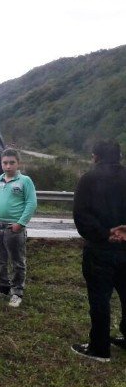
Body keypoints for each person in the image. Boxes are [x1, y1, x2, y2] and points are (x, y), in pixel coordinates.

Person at [72, 140, 126, 362]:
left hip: (99, 250)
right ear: (120, 156)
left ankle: (99, 348)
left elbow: (81, 216)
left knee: (99, 298)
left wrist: (104, 234)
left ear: (95, 156)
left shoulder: (88, 179)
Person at [0, 149, 38, 308]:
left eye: (11, 162)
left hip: (13, 229)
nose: (8, 166)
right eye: (5, 163)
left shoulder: (24, 181)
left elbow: (31, 203)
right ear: (1, 163)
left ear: (18, 163)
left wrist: (20, 223)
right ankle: (2, 289)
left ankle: (17, 292)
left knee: (17, 262)